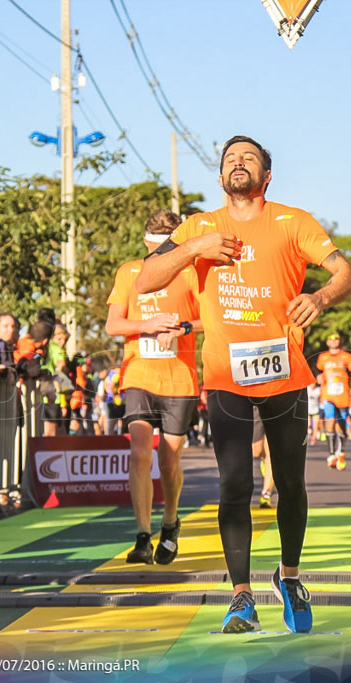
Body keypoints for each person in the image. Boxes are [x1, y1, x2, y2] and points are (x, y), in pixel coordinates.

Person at [135, 135, 351, 634]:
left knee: (291, 482)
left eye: (249, 159)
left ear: (267, 175)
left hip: (284, 371)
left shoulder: (293, 222)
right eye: (230, 159)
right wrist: (195, 246)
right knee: (234, 484)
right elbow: (145, 281)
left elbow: (348, 272)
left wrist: (321, 298)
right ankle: (241, 596)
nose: (238, 163)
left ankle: (291, 576)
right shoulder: (199, 226)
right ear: (219, 178)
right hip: (224, 376)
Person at [105, 209, 202, 565]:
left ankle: (171, 521)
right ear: (146, 243)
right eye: (154, 248)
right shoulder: (129, 272)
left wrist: (184, 327)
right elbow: (113, 325)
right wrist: (148, 324)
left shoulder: (191, 273)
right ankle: (143, 535)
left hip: (179, 377)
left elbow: (216, 318)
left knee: (170, 458)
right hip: (139, 376)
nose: (159, 256)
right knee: (140, 454)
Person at [317, 332, 351, 471]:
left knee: (341, 423)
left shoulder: (346, 356)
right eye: (331, 339)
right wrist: (318, 378)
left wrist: (348, 373)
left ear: (339, 342)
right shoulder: (323, 357)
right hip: (327, 394)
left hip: (342, 394)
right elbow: (317, 371)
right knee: (329, 421)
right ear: (327, 342)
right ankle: (331, 454)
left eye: (336, 339)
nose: (333, 342)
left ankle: (340, 451)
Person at [306, 380, 321, 445]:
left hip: (316, 410)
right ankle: (309, 433)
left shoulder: (318, 390)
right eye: (312, 383)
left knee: (316, 426)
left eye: (314, 384)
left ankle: (313, 439)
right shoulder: (307, 389)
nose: (313, 385)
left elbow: (322, 397)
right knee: (308, 425)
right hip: (308, 410)